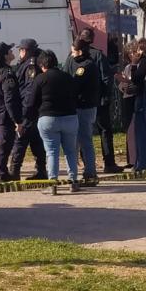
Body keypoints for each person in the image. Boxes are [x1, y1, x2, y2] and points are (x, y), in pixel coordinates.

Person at [24, 50, 81, 192]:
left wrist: (30, 116)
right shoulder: (68, 77)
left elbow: (31, 102)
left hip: (48, 119)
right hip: (69, 118)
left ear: (42, 65)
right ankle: (73, 181)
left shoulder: (40, 79)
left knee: (51, 152)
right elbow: (76, 96)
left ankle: (53, 183)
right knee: (71, 151)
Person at [74, 27, 122, 174]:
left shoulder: (72, 58)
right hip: (99, 100)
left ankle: (86, 163)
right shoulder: (98, 55)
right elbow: (106, 78)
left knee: (83, 133)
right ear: (92, 39)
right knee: (105, 130)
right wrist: (106, 96)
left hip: (80, 102)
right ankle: (109, 162)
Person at [64, 38, 101, 186]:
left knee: (85, 141)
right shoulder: (72, 61)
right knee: (74, 142)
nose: (72, 54)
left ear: (80, 51)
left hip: (85, 107)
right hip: (75, 107)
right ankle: (75, 173)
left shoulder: (87, 65)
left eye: (73, 51)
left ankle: (90, 172)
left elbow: (75, 83)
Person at [118, 39, 146, 170]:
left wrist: (135, 64)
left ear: (144, 49)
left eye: (140, 49)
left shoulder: (144, 61)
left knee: (141, 133)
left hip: (144, 99)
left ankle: (142, 164)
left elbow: (137, 78)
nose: (137, 52)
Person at [0, 42, 23, 183]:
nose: (13, 52)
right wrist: (17, 120)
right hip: (4, 116)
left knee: (4, 144)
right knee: (4, 145)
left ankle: (2, 172)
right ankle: (1, 174)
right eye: (10, 50)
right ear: (5, 55)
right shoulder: (6, 73)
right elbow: (10, 99)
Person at [11, 39, 48, 179]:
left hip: (28, 110)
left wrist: (24, 112)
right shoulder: (29, 63)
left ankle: (14, 172)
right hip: (34, 110)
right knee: (36, 141)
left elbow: (29, 90)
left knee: (20, 141)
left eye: (20, 50)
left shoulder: (31, 66)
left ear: (25, 51)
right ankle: (41, 171)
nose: (19, 53)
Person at [117, 41, 139, 168]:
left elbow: (137, 82)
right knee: (128, 131)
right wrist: (123, 85)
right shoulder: (127, 67)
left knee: (133, 130)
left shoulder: (139, 66)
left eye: (134, 52)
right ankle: (131, 159)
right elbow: (121, 85)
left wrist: (129, 84)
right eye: (129, 53)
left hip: (134, 99)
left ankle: (134, 159)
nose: (132, 55)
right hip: (126, 98)